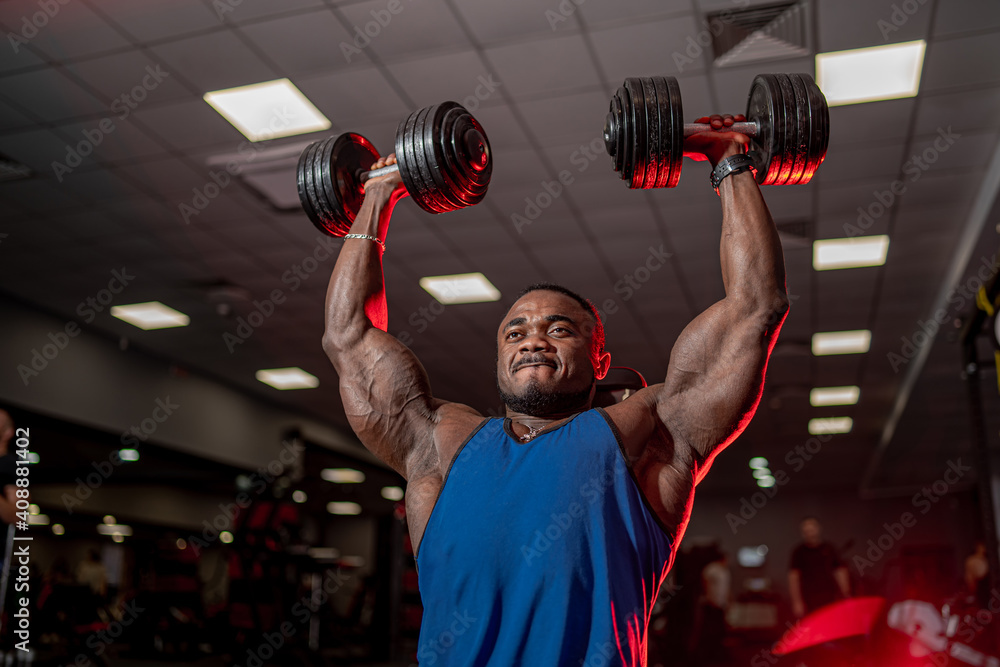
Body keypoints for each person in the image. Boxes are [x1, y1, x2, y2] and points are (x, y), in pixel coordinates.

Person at [322, 114, 789, 665]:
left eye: (559, 329)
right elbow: (348, 337)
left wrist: (729, 158)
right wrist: (376, 195)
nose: (533, 341)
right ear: (499, 354)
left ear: (600, 360)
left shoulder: (645, 437)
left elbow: (755, 309)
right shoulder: (442, 447)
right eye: (515, 331)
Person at [789, 517, 850, 618]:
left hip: (830, 596)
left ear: (818, 529)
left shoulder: (829, 548)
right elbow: (793, 577)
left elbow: (840, 571)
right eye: (806, 531)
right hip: (809, 598)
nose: (810, 533)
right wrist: (797, 602)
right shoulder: (799, 552)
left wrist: (845, 593)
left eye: (812, 530)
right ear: (803, 533)